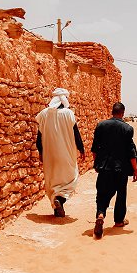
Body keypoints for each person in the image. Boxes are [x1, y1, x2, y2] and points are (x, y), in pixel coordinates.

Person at [91, 101, 137, 238]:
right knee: (121, 194)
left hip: (104, 168)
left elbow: (95, 149)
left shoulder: (101, 126)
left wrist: (97, 164)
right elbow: (131, 153)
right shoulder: (128, 129)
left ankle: (100, 214)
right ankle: (119, 221)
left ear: (112, 112)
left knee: (102, 193)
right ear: (122, 113)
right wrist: (135, 170)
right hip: (121, 169)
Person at [35, 88, 85, 217]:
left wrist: (41, 152)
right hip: (66, 154)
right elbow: (76, 133)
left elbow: (39, 136)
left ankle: (57, 207)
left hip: (49, 155)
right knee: (71, 179)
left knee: (52, 180)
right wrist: (81, 149)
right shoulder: (68, 113)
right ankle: (61, 200)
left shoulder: (44, 114)